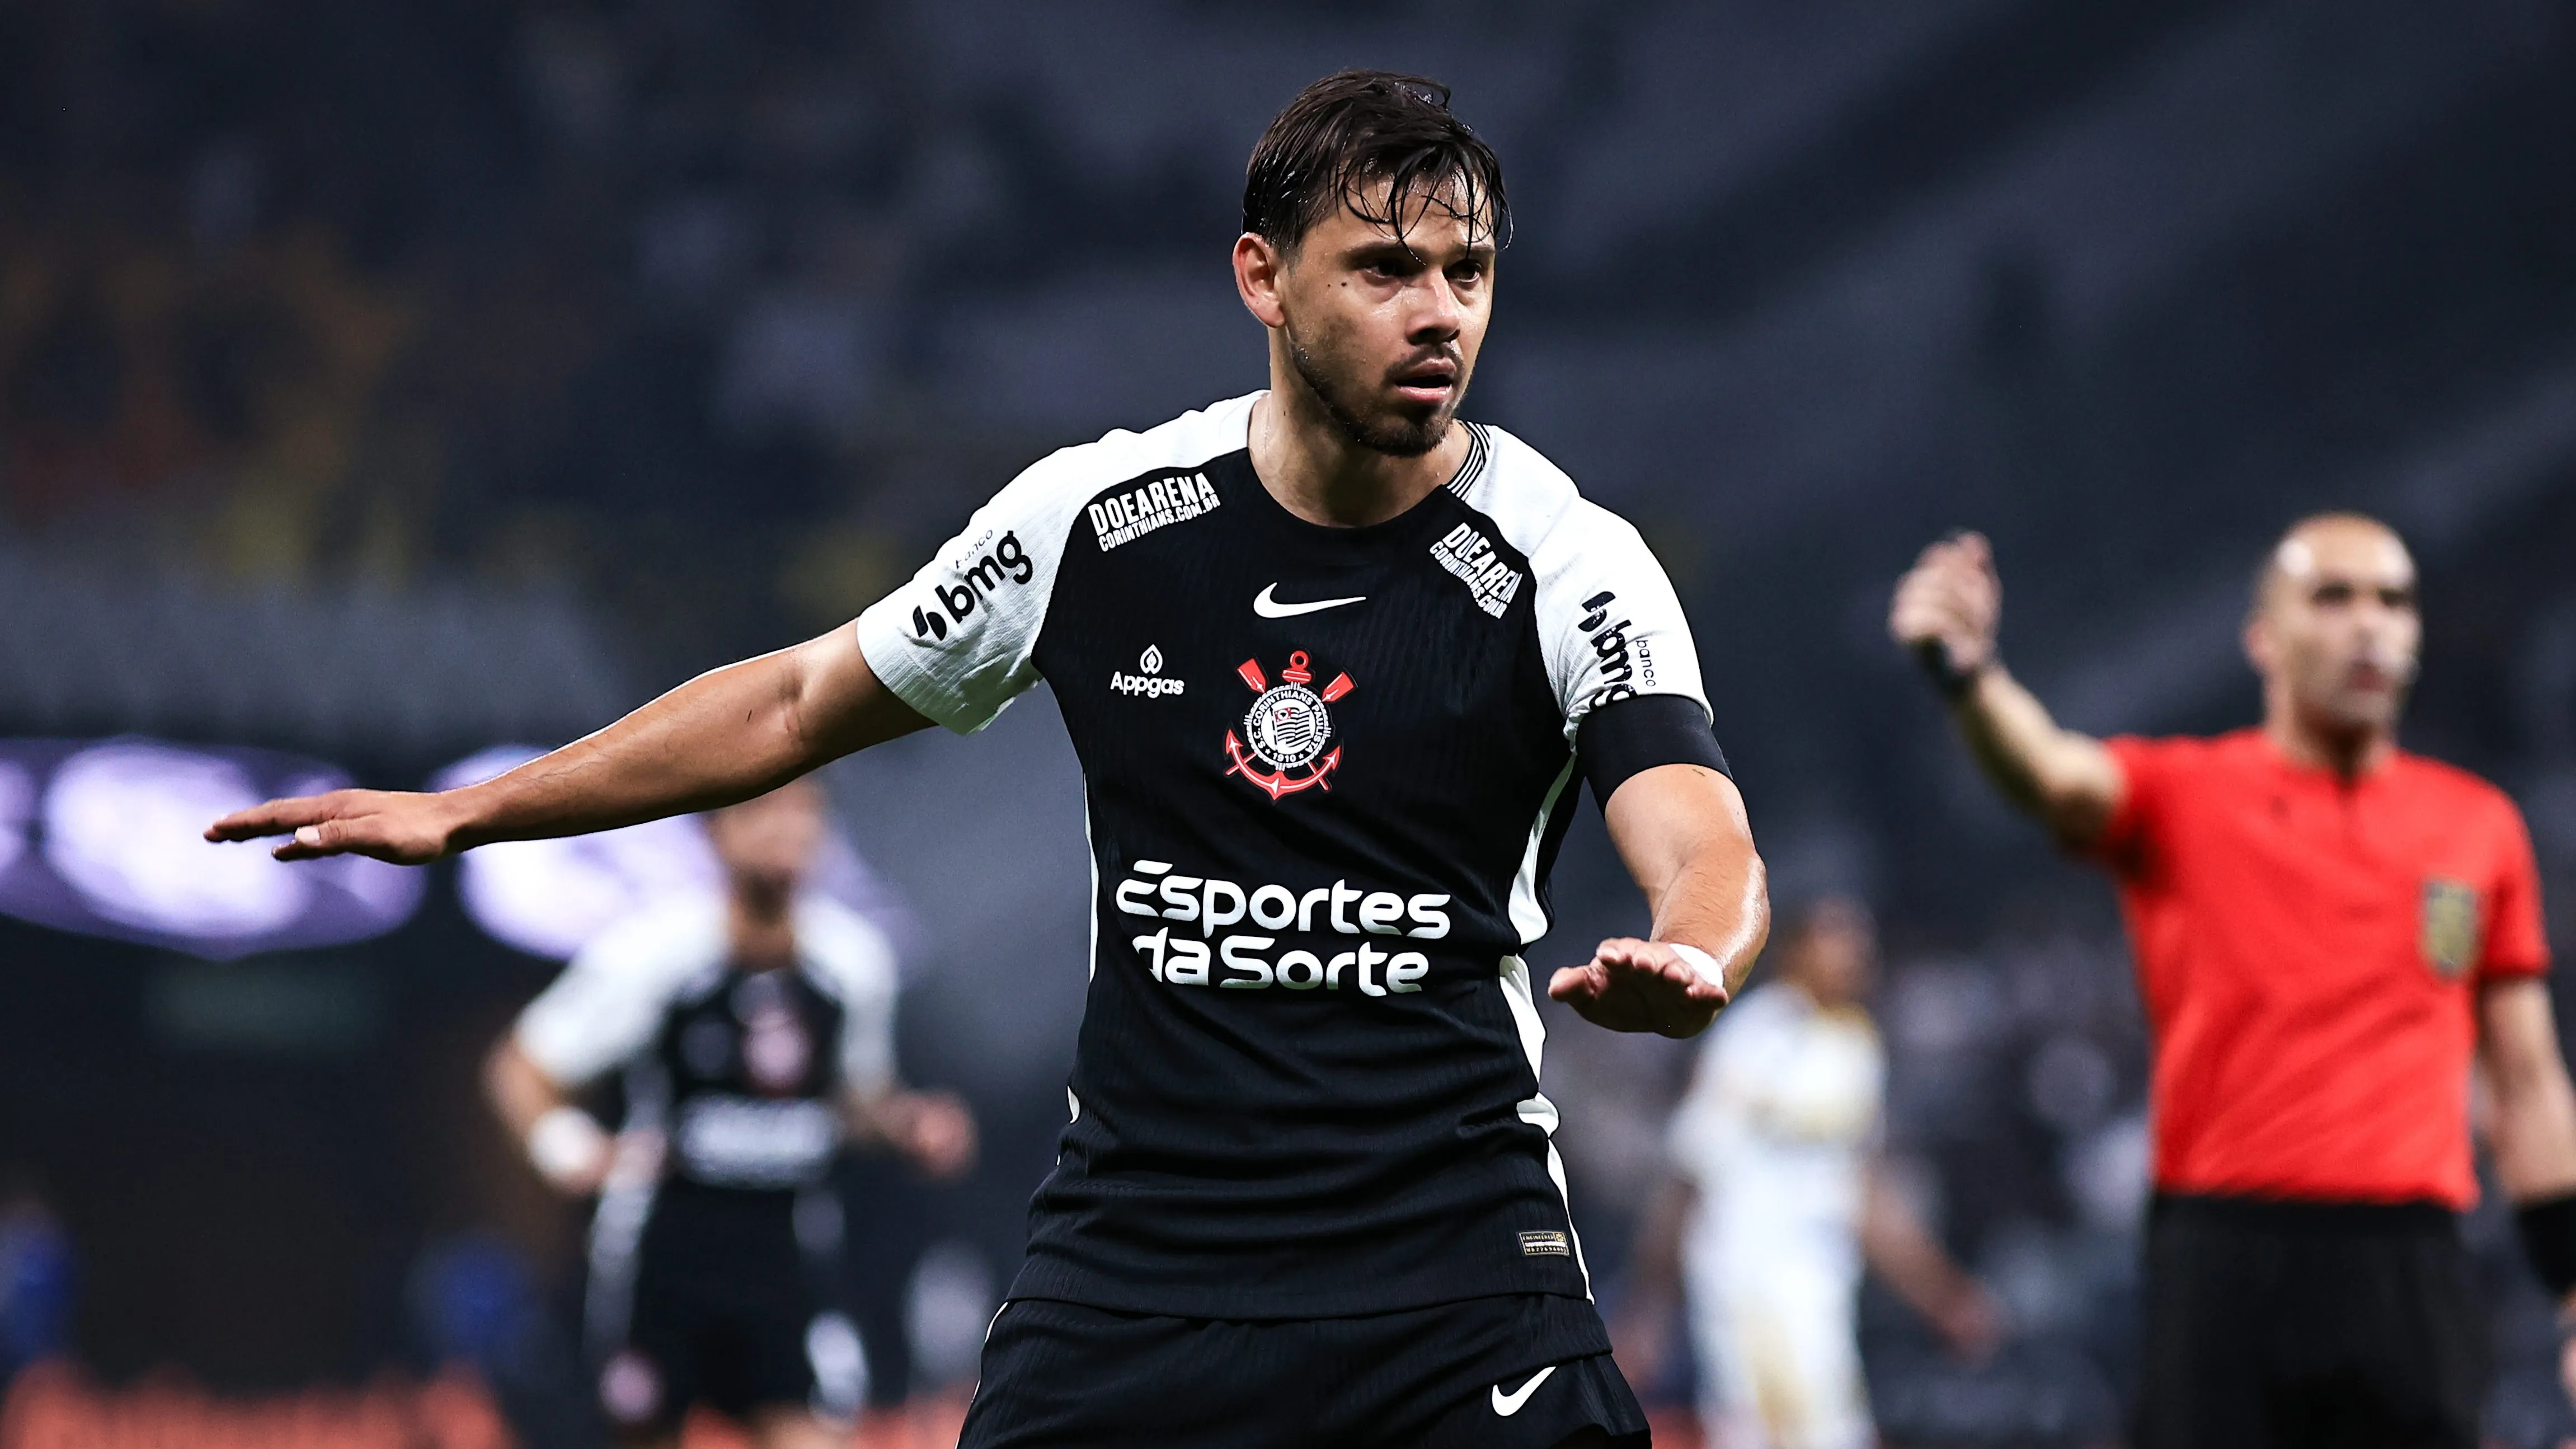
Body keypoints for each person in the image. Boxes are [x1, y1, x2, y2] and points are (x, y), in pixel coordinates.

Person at [209, 71, 1768, 1449]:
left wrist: (1692, 948)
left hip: (1452, 1278)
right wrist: (475, 810)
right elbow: (800, 700)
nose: (1439, 311)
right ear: (1262, 280)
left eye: (1467, 270)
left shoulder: (1568, 559)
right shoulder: (1098, 521)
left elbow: (1697, 830)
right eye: (1384, 267)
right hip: (1142, 1276)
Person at [1888, 517, 2574, 1448]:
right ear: (2261, 635)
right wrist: (1969, 679)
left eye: (2390, 599)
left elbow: (2525, 1076)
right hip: (2225, 1262)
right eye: (2330, 597)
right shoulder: (2185, 794)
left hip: (2411, 1260)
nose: (2366, 624)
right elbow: (2050, 773)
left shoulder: (2473, 827)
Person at [482, 780, 976, 1449]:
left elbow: (854, 1098)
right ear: (715, 833)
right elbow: (521, 1066)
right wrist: (567, 1148)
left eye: (804, 814)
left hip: (786, 1261)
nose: (786, 832)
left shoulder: (852, 962)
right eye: (762, 813)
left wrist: (906, 1126)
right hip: (663, 1256)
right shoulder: (655, 954)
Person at [1617, 896, 1998, 1449]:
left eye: (1860, 942)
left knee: (1833, 1432)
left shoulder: (1855, 1045)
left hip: (1821, 1279)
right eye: (1836, 939)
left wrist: (1941, 1293)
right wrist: (1646, 1308)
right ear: (1794, 951)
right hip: (1747, 1276)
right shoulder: (1754, 1037)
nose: (1856, 955)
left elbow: (1862, 1190)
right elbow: (1689, 1173)